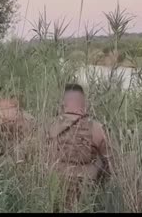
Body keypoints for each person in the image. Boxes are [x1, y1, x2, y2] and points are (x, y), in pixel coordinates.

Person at [47, 83, 111, 212]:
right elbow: (110, 163)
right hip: (85, 194)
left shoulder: (51, 126)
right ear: (84, 104)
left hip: (55, 189)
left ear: (63, 103)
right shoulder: (96, 128)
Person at [0, 92, 36, 164]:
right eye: (0, 109)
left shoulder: (29, 122)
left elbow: (24, 153)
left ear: (17, 109)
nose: (3, 113)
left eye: (8, 108)